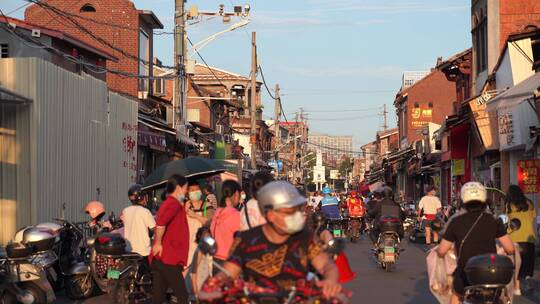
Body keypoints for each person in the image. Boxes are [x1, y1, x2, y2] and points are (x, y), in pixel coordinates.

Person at [204, 181, 342, 298]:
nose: (297, 216)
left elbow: (326, 265)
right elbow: (228, 272)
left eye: (297, 210)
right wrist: (215, 284)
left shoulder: (304, 238)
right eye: (289, 212)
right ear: (270, 215)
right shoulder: (246, 240)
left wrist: (330, 280)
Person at [436, 182, 515, 304]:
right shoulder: (494, 220)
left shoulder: (456, 222)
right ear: (484, 199)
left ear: (463, 200)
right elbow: (510, 249)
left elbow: (442, 250)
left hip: (466, 274)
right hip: (493, 273)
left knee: (456, 295)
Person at [151, 175, 190, 304]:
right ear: (178, 188)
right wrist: (158, 243)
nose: (186, 191)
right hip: (169, 258)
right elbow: (161, 223)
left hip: (161, 259)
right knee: (182, 296)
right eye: (185, 188)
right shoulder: (173, 203)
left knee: (158, 298)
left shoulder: (170, 203)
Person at [506, 184, 536, 294]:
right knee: (528, 263)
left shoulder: (509, 206)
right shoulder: (530, 204)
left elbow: (508, 221)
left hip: (515, 238)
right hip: (529, 237)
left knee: (517, 264)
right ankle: (528, 278)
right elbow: (532, 219)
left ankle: (517, 288)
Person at [210, 180, 241, 268]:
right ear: (236, 194)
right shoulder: (236, 215)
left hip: (215, 259)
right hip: (230, 261)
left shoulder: (218, 212)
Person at [122, 184, 156, 261]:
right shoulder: (145, 211)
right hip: (143, 252)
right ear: (141, 197)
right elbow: (155, 229)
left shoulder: (125, 211)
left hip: (128, 250)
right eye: (145, 196)